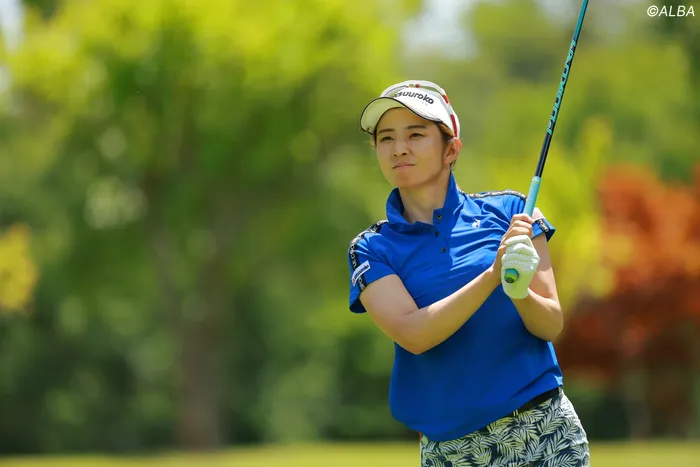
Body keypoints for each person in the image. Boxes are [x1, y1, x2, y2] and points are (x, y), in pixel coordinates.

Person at [346, 80, 590, 466]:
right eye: (386, 137)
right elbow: (414, 335)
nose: (399, 148)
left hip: (544, 431)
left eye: (415, 134)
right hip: (453, 450)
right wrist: (493, 275)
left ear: (451, 149)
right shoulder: (372, 247)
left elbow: (550, 325)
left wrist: (519, 291)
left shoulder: (513, 212)